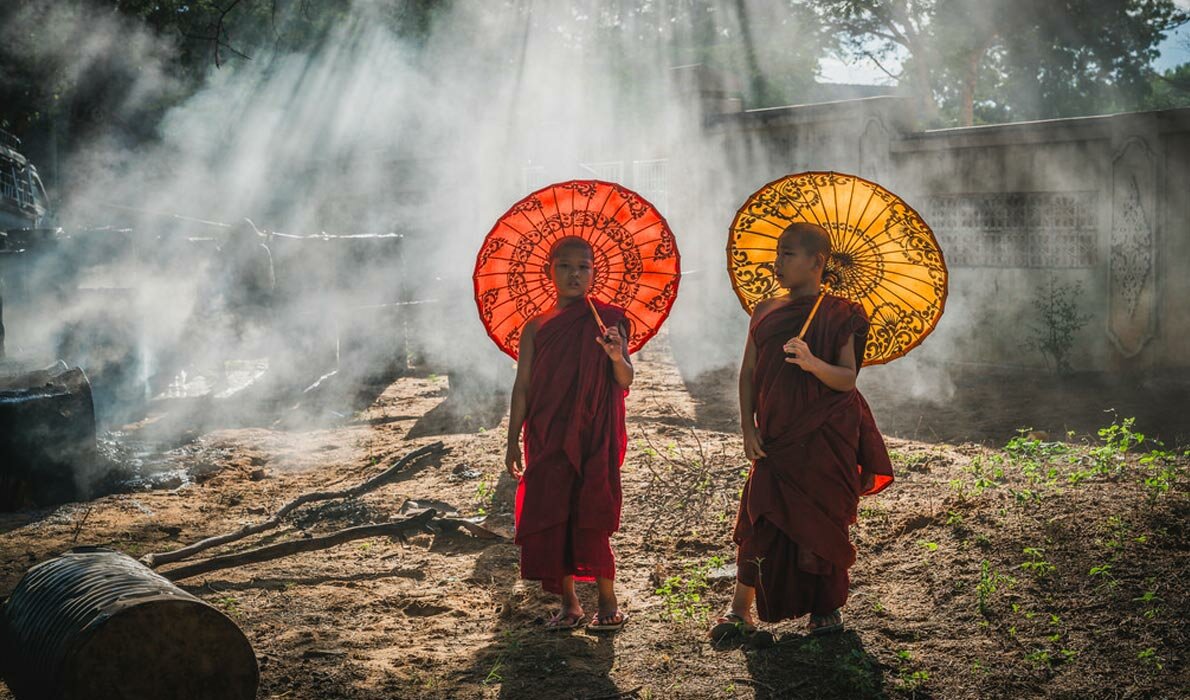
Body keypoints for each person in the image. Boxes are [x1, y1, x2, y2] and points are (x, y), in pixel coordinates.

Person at [713, 222, 894, 640]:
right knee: (761, 516)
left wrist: (812, 362)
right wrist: (747, 427)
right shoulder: (765, 311)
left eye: (789, 254)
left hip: (823, 435)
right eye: (777, 253)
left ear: (818, 262)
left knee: (821, 519)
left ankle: (824, 608)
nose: (778, 263)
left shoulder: (841, 313)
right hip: (776, 436)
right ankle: (740, 610)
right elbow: (748, 375)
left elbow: (847, 378)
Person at [505, 235, 633, 633]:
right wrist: (512, 438)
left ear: (594, 272)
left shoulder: (610, 320)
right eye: (565, 266)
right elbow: (523, 385)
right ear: (550, 271)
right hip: (547, 430)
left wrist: (615, 354)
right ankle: (570, 602)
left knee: (592, 507)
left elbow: (626, 377)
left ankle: (607, 597)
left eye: (583, 267)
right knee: (553, 508)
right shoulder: (537, 326)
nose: (574, 274)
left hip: (594, 431)